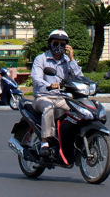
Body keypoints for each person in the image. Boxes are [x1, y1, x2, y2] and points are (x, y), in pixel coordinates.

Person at [30, 29, 83, 159]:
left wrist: (72, 59)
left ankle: (72, 140)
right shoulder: (40, 59)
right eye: (56, 43)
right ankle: (44, 142)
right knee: (49, 108)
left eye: (62, 44)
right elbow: (36, 78)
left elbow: (79, 77)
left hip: (62, 98)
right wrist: (48, 85)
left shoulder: (67, 61)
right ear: (50, 43)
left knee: (80, 111)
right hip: (43, 97)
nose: (59, 46)